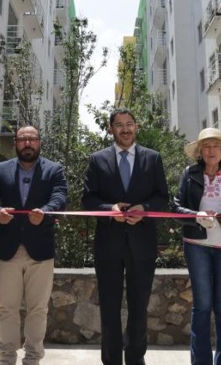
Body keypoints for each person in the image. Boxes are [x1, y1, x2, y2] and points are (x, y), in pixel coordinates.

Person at [81, 108, 171, 365]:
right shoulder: (98, 160)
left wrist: (145, 209)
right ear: (111, 129)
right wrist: (109, 210)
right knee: (109, 307)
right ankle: (111, 360)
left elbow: (162, 197)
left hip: (142, 244)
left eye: (129, 124)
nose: (125, 129)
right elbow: (88, 199)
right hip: (108, 244)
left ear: (137, 126)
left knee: (138, 307)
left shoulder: (152, 159)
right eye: (119, 125)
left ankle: (135, 358)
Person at [0, 125, 68, 365]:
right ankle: (6, 359)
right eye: (22, 139)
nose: (27, 143)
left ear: (40, 142)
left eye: (32, 139)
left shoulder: (54, 170)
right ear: (16, 143)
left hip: (40, 250)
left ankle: (32, 358)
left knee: (38, 309)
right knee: (7, 309)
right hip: (8, 249)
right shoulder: (1, 170)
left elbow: (60, 197)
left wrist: (46, 212)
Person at [171, 128, 221, 365]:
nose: (211, 151)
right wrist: (196, 215)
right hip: (196, 244)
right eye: (206, 146)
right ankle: (201, 362)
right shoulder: (190, 173)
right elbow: (176, 207)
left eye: (215, 146)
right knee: (202, 305)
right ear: (199, 152)